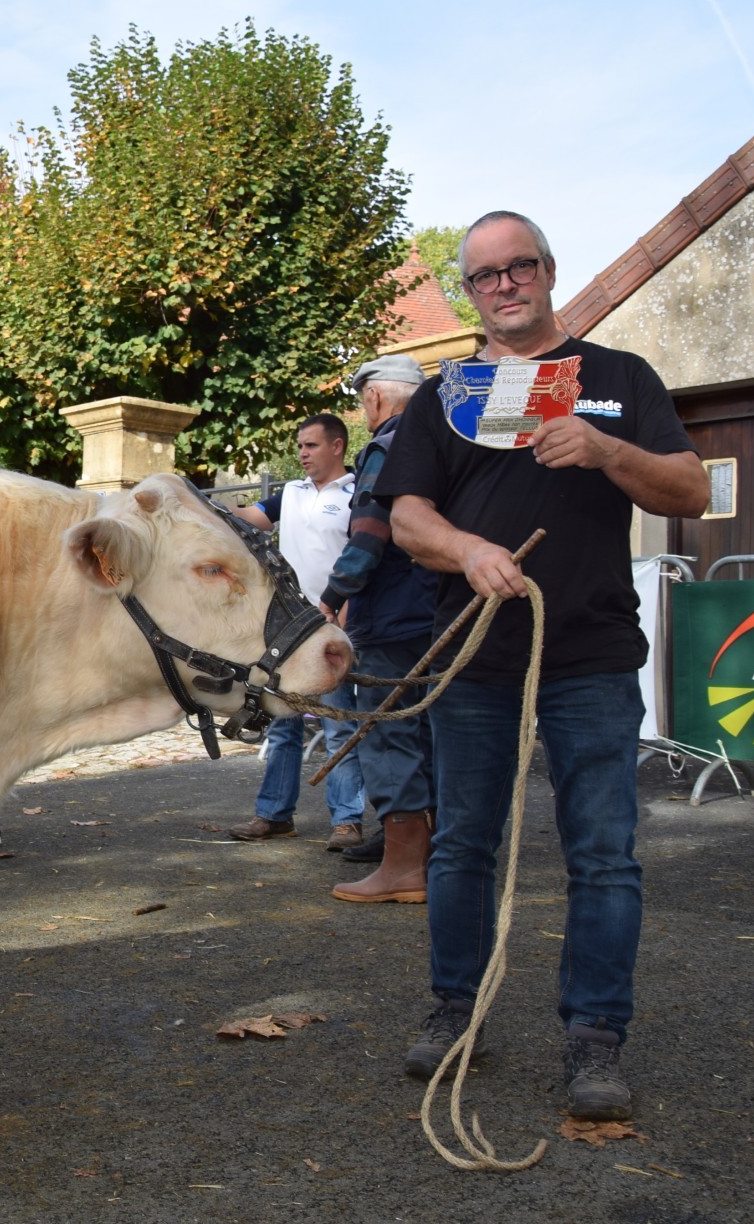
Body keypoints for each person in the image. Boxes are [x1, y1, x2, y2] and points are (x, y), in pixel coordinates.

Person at [375, 210, 708, 1121]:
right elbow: (407, 519)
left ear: (549, 272)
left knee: (604, 853)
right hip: (479, 655)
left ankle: (596, 1036)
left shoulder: (618, 378)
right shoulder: (445, 396)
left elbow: (692, 489)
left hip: (592, 653)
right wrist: (467, 549)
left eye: (521, 266)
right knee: (462, 846)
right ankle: (457, 1011)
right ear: (473, 292)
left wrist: (606, 449)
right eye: (486, 275)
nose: (506, 284)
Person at [319, 354, 438, 902]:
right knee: (435, 732)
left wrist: (333, 596)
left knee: (391, 736)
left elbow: (369, 531)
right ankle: (435, 855)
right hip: (439, 611)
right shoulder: (449, 437)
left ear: (375, 398)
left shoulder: (388, 445)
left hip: (392, 615)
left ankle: (404, 867)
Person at [227, 415, 368, 850]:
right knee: (282, 724)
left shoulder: (357, 494)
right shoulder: (289, 493)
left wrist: (346, 609)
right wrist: (189, 502)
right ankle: (274, 815)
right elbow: (245, 519)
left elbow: (367, 553)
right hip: (287, 630)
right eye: (300, 446)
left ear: (337, 446)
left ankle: (347, 821)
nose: (302, 453)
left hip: (332, 627)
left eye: (310, 445)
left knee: (338, 724)